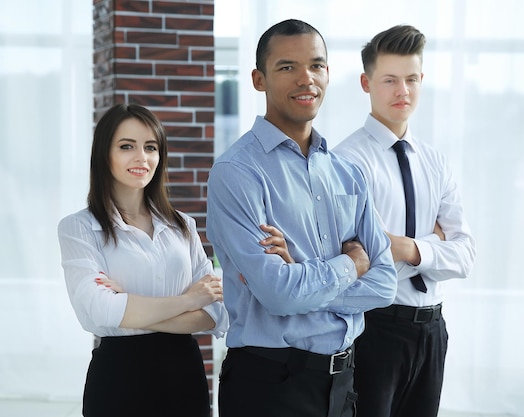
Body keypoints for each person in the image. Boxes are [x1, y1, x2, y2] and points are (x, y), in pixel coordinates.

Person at [205, 19, 397, 417]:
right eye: (287, 67)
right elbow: (277, 294)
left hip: (343, 383)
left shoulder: (348, 172)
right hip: (269, 385)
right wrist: (351, 264)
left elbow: (384, 285)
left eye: (316, 65)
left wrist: (305, 279)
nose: (306, 78)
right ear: (260, 79)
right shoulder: (237, 173)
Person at [333, 25, 477, 417]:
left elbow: (464, 256)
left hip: (433, 330)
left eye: (411, 79)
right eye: (390, 80)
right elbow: (362, 265)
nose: (403, 91)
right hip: (376, 329)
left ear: (422, 80)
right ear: (366, 83)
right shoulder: (347, 162)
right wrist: (434, 244)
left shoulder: (435, 161)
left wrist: (407, 247)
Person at [57, 103, 230, 417]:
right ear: (103, 154)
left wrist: (128, 305)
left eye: (151, 147)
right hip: (119, 379)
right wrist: (189, 299)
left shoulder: (183, 226)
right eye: (127, 147)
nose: (142, 157)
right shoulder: (80, 228)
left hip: (185, 376)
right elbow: (96, 310)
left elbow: (216, 313)